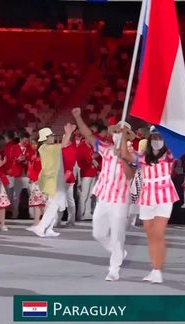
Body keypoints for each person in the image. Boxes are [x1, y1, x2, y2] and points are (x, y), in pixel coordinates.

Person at [73, 108, 134, 281]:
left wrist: (122, 158)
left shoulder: (132, 155)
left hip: (120, 201)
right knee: (98, 234)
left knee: (117, 235)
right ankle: (119, 251)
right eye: (116, 132)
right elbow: (89, 136)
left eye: (121, 133)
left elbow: (130, 175)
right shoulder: (106, 149)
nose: (117, 135)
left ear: (127, 137)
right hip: (103, 197)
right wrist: (78, 117)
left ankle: (114, 268)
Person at [120, 126, 179, 284]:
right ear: (149, 139)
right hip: (147, 196)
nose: (157, 141)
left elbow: (181, 144)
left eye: (160, 138)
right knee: (151, 235)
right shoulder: (142, 157)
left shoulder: (170, 155)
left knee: (158, 234)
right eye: (154, 138)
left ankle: (158, 270)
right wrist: (123, 136)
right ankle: (154, 269)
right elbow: (125, 154)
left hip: (164, 195)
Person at [27, 124, 75, 238]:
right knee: (54, 204)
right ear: (45, 138)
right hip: (50, 180)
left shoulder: (47, 147)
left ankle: (49, 228)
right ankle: (41, 227)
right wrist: (68, 133)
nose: (53, 137)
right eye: (50, 136)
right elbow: (63, 144)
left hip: (54, 179)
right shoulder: (45, 148)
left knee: (53, 204)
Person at [76, 130, 98, 221]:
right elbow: (81, 159)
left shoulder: (90, 146)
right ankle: (80, 213)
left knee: (90, 194)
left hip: (92, 172)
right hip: (85, 173)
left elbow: (92, 155)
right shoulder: (82, 146)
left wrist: (93, 158)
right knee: (84, 194)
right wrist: (92, 159)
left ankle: (87, 213)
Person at [58, 137, 77, 227]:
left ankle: (62, 220)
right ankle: (67, 220)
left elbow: (69, 167)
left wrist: (65, 177)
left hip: (66, 178)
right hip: (63, 177)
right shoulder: (62, 149)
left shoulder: (70, 150)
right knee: (68, 199)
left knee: (65, 199)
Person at [26, 138, 45, 229]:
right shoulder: (33, 156)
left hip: (41, 182)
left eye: (35, 144)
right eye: (32, 144)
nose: (33, 146)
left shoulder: (44, 156)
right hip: (34, 181)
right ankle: (37, 222)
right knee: (37, 203)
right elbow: (31, 169)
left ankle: (43, 223)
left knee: (42, 203)